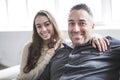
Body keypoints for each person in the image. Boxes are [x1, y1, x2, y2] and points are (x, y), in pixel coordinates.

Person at [16, 10, 108, 80]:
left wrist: (95, 36)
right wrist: (46, 58)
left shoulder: (62, 45)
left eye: (47, 24)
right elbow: (23, 77)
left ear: (53, 25)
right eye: (39, 26)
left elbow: (78, 40)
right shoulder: (29, 47)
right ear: (35, 29)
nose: (43, 29)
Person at [38, 4, 120, 80]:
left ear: (92, 26)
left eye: (82, 23)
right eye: (71, 23)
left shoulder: (106, 45)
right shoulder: (58, 53)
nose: (76, 29)